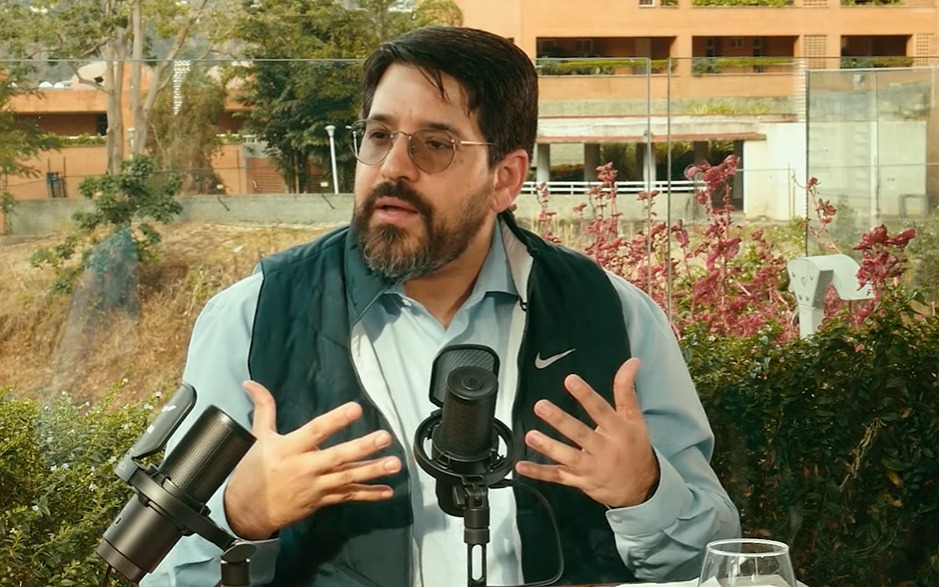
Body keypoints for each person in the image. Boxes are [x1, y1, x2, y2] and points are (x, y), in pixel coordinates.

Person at [142, 25, 740, 587]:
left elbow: (717, 557)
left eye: (434, 145)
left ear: (505, 178)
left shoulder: (616, 317)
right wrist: (241, 516)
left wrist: (645, 491)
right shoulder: (252, 319)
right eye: (379, 136)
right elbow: (167, 570)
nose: (393, 168)